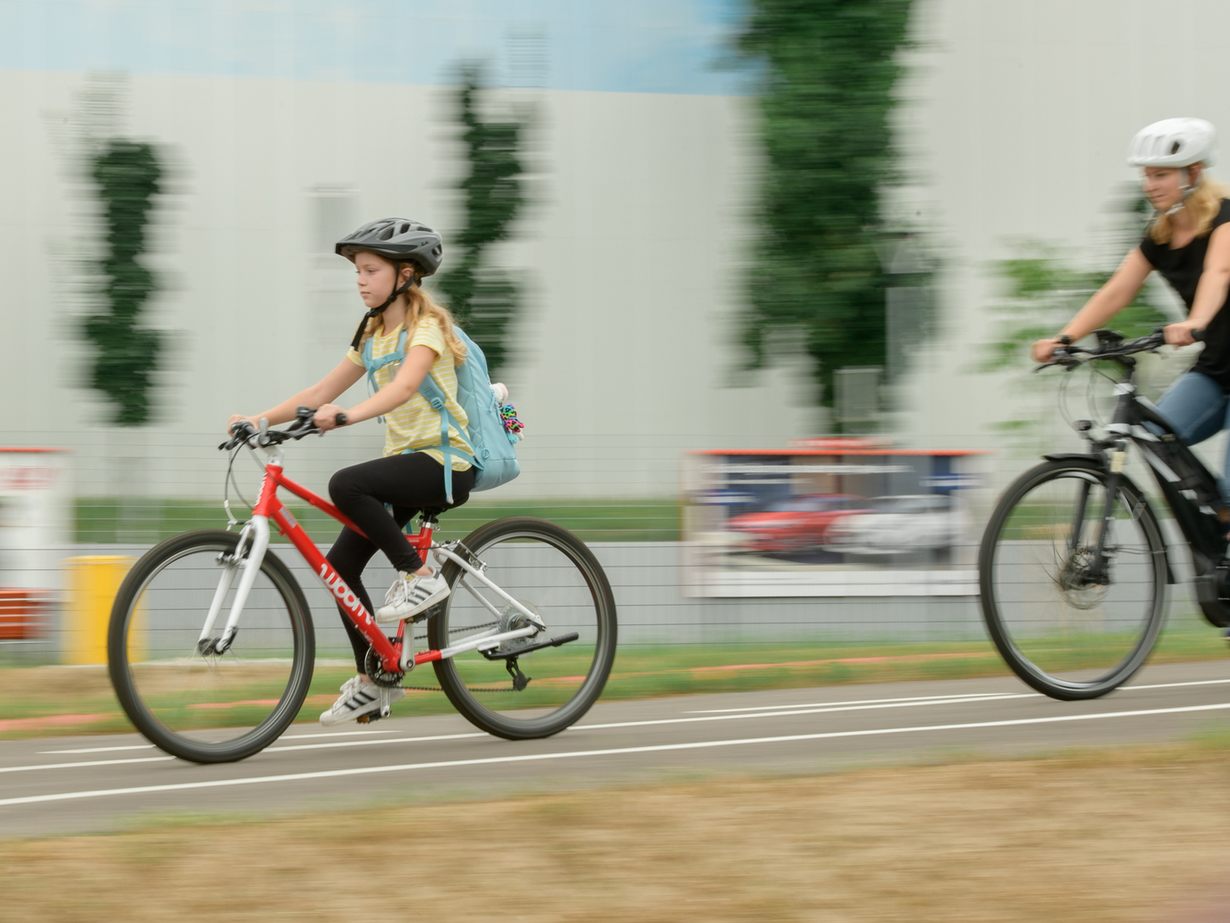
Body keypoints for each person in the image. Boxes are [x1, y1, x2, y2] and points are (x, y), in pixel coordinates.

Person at [227, 218, 477, 724]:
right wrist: (259, 420)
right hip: (405, 467)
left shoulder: (425, 328)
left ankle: (420, 575)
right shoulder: (371, 333)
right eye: (357, 271)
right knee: (339, 567)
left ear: (405, 275)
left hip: (445, 462)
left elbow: (404, 388)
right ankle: (376, 676)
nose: (360, 280)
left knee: (346, 484)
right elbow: (319, 394)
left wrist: (346, 417)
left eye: (370, 270)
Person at [1033, 118, 1230, 637]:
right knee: (1151, 434)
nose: (1150, 184)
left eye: (1160, 173)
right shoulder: (1161, 233)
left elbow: (1219, 273)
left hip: (1212, 345)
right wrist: (1066, 337)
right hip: (1217, 369)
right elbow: (1117, 290)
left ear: (1192, 173)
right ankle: (1213, 543)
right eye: (1146, 174)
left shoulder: (1226, 219)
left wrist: (1195, 322)